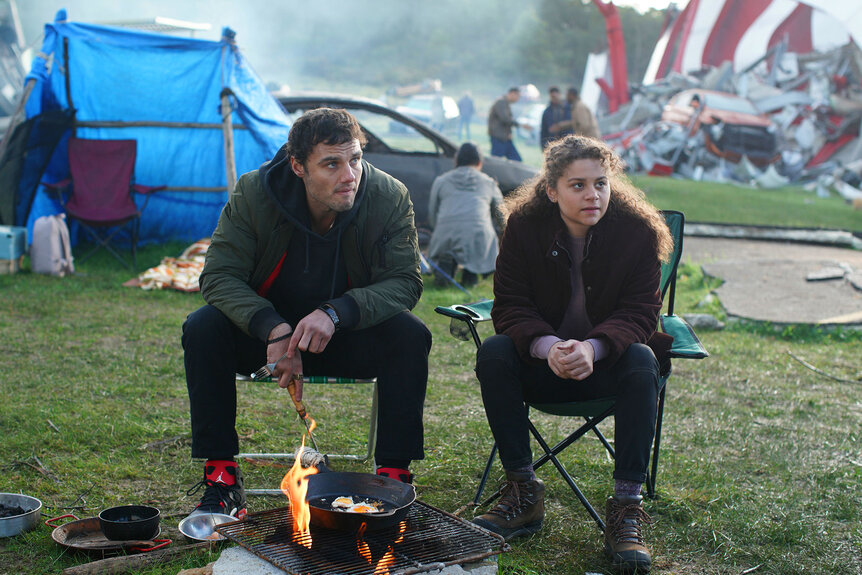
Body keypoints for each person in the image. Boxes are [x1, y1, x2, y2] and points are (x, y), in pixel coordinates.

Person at [182, 108, 432, 519]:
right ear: (298, 166)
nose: (348, 175)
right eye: (331, 164)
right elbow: (218, 276)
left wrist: (335, 313)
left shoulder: (387, 196)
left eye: (354, 159)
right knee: (203, 327)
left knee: (409, 334)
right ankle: (222, 477)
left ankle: (391, 479)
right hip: (269, 343)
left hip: (346, 335)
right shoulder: (255, 193)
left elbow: (405, 282)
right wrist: (272, 328)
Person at [471, 135, 673, 574]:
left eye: (600, 183)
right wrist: (549, 348)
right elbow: (509, 304)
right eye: (577, 185)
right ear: (552, 190)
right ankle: (522, 490)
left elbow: (641, 311)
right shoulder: (525, 226)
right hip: (541, 366)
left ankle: (626, 507)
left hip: (608, 368)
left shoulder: (636, 231)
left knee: (642, 359)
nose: (592, 195)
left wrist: (593, 348)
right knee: (495, 352)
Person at [427, 142, 505, 288]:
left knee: (449, 242)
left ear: (456, 161)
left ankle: (448, 264)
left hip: (445, 233)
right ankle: (472, 273)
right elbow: (502, 215)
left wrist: (436, 229)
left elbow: (432, 212)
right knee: (481, 237)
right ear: (480, 163)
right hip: (478, 235)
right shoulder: (489, 183)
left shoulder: (441, 181)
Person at [488, 87, 531, 161]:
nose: (518, 99)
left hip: (505, 138)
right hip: (499, 138)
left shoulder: (505, 103)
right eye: (518, 96)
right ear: (512, 94)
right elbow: (505, 119)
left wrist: (510, 132)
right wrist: (520, 125)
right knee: (496, 162)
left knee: (516, 160)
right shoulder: (501, 102)